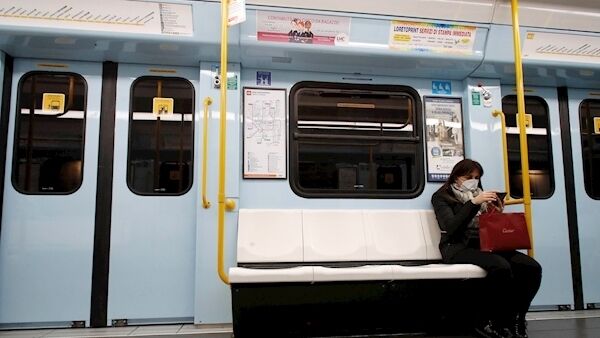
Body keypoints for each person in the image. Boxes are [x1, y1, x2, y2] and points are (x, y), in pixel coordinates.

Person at [431, 159, 542, 338]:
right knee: (500, 266)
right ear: (457, 177)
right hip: (457, 247)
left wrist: (495, 213)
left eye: (477, 177)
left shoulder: (479, 195)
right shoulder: (442, 197)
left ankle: (516, 319)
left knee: (531, 267)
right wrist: (473, 203)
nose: (473, 181)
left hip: (485, 244)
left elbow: (486, 227)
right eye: (469, 176)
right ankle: (486, 320)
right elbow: (451, 227)